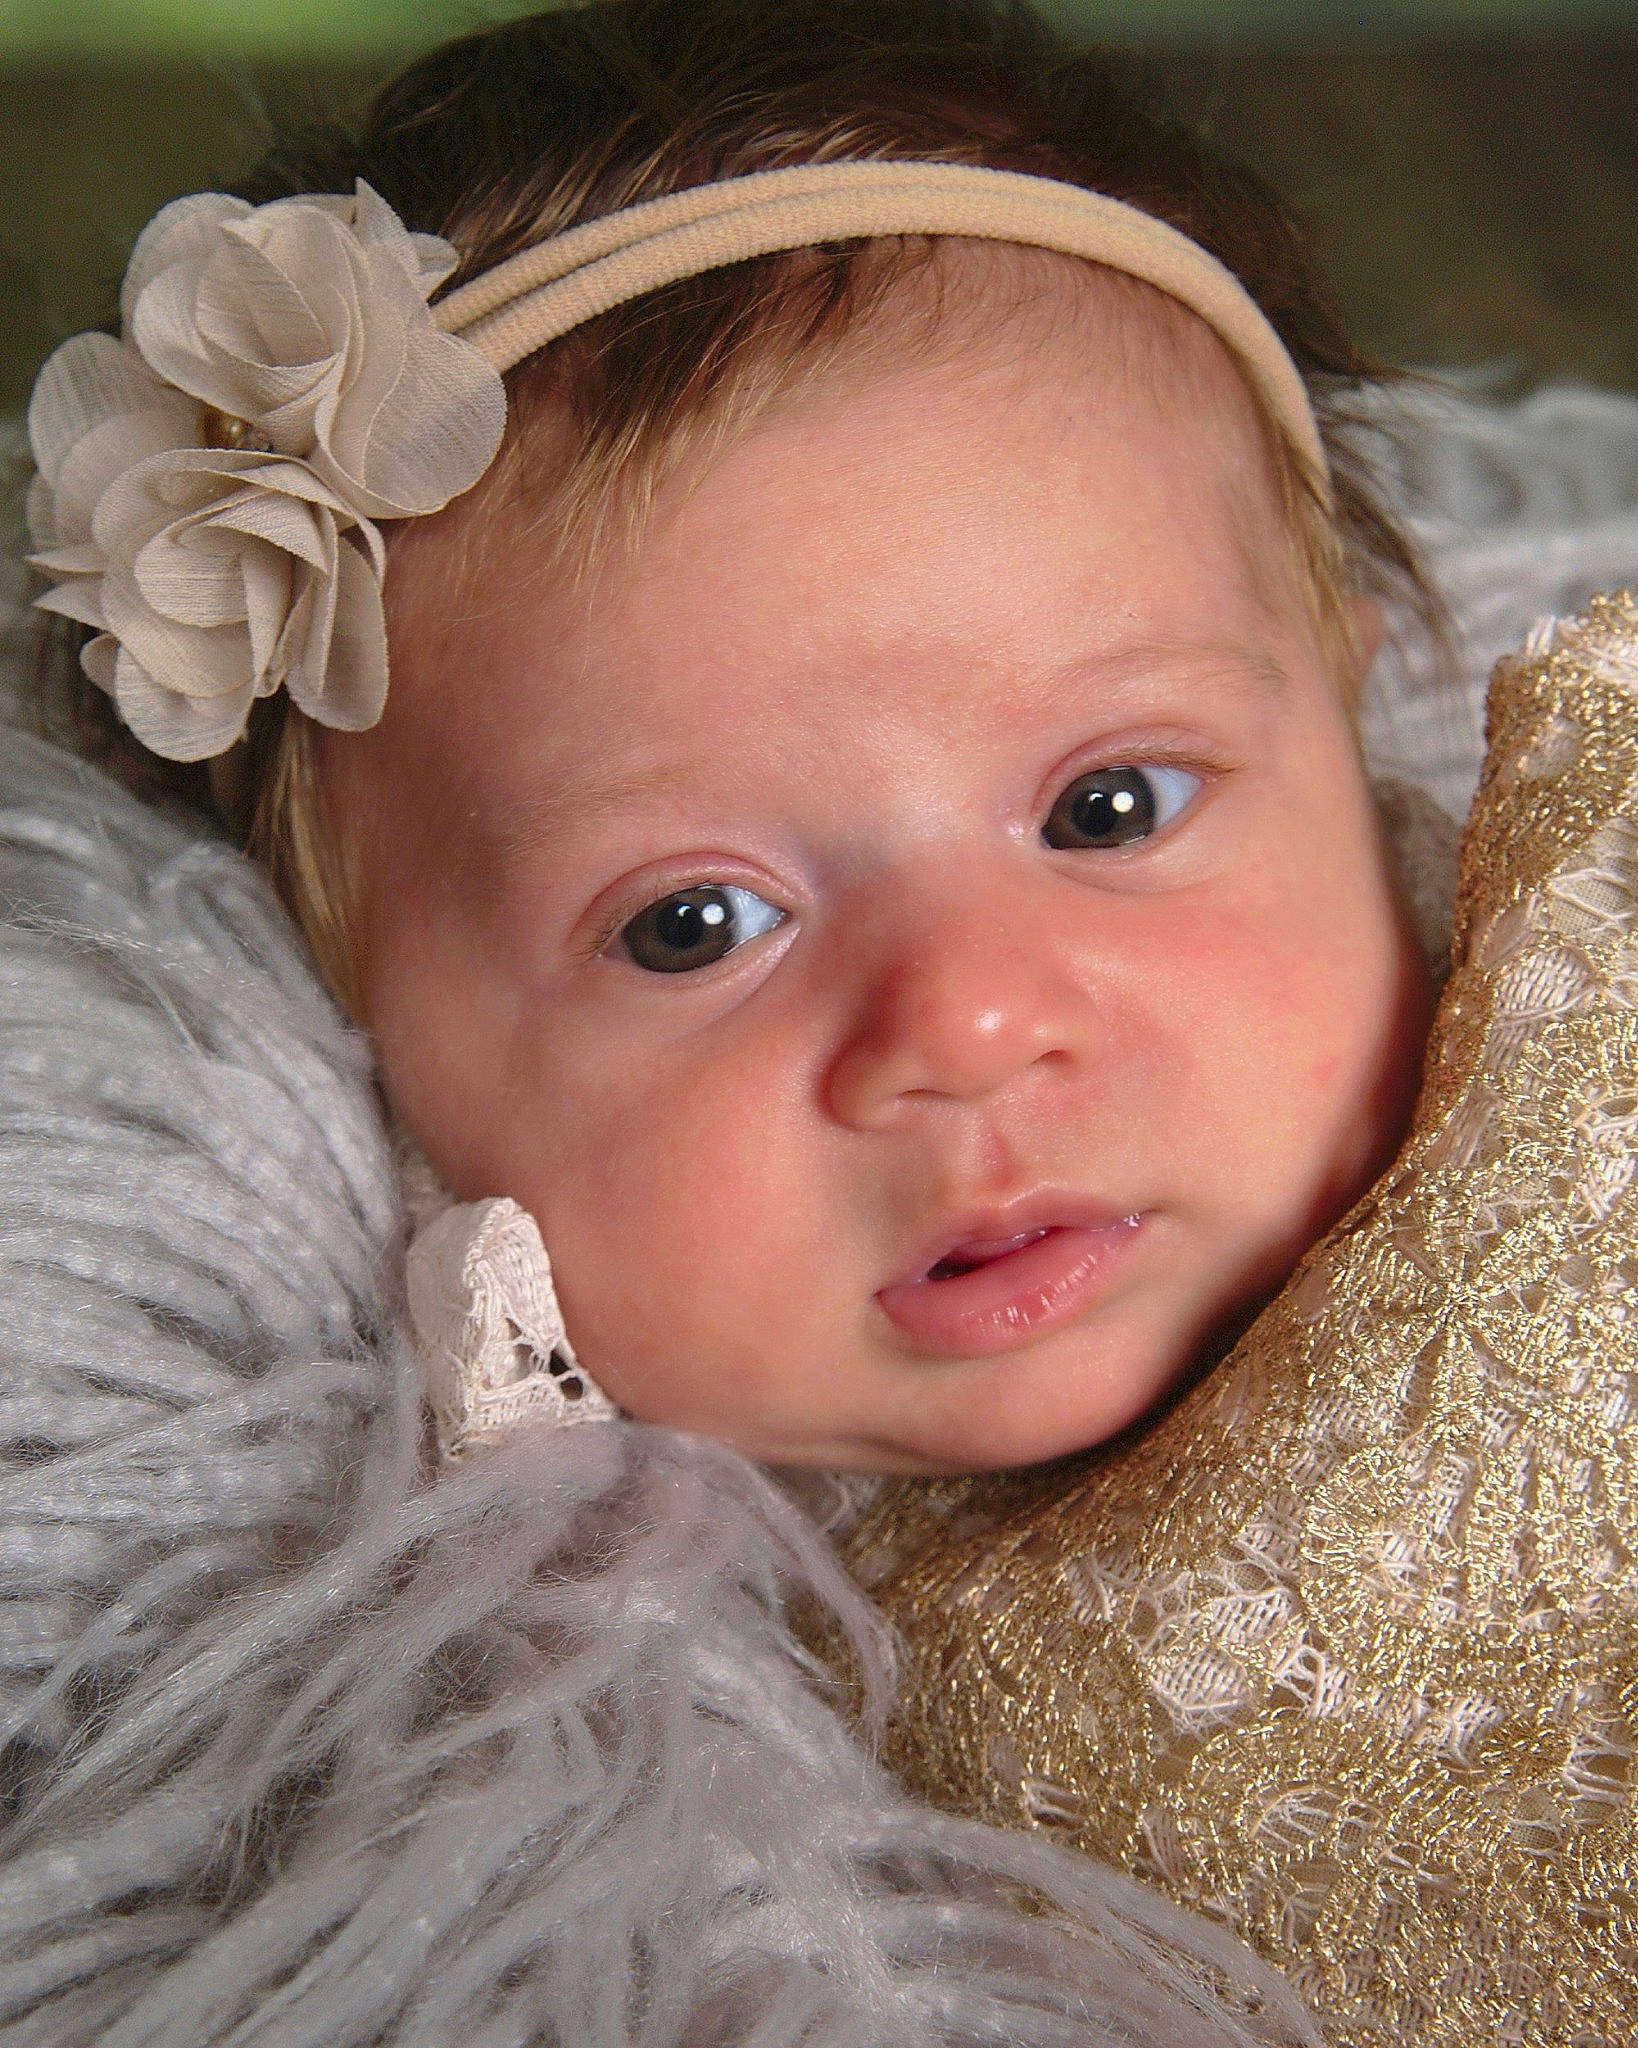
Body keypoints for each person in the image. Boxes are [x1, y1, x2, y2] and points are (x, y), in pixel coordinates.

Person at [26, 0, 1435, 1477]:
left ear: (1343, 719)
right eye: (691, 925)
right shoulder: (473, 1619)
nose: (963, 1028)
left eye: (1109, 807)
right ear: (355, 1047)